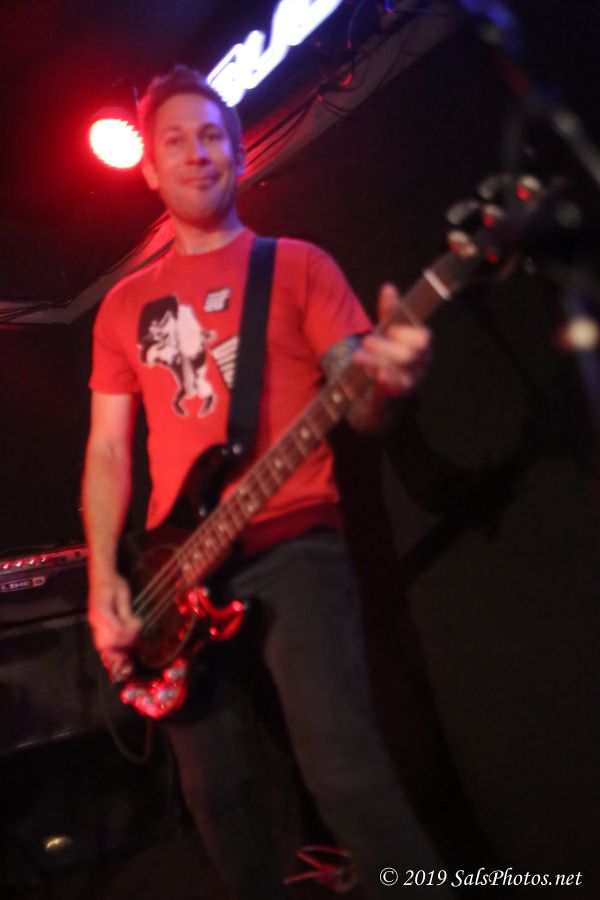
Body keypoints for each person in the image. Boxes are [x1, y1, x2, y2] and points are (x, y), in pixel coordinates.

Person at [82, 65, 446, 899]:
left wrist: (386, 383)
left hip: (295, 544)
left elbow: (360, 402)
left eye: (212, 136)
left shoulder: (297, 266)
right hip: (175, 571)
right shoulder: (122, 306)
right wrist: (105, 579)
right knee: (213, 797)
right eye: (176, 140)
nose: (196, 152)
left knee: (344, 775)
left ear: (239, 155)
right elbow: (107, 450)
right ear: (150, 170)